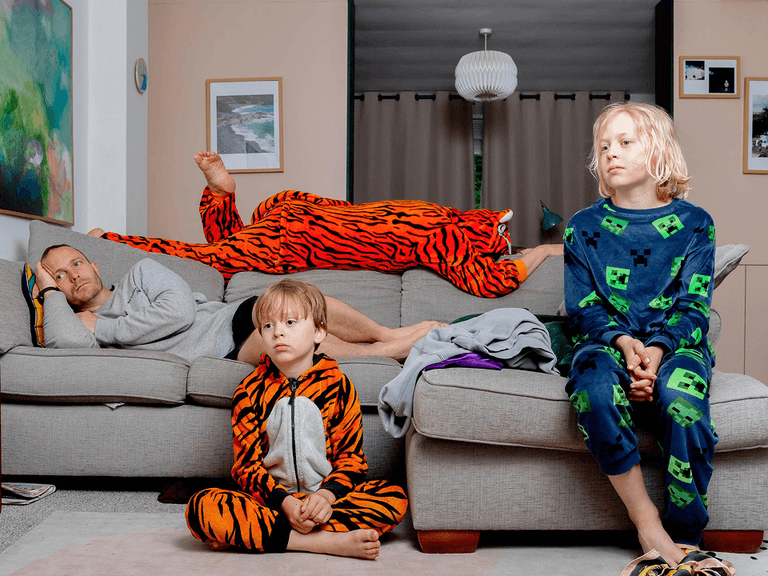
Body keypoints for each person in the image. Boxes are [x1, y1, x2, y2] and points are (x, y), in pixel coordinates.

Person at [563, 103, 733, 574]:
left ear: (656, 150)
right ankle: (648, 524)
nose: (610, 154)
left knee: (682, 400)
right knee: (595, 391)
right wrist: (624, 345)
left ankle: (685, 536)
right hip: (606, 346)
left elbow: (694, 306)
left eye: (624, 142)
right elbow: (582, 310)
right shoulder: (583, 227)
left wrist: (656, 352)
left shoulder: (696, 223)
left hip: (675, 345)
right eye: (603, 146)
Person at [87, 151, 563, 298]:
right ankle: (107, 241)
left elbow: (491, 268)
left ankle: (222, 194)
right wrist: (543, 252)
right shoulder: (448, 238)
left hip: (296, 209)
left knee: (231, 249)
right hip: (304, 239)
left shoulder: (439, 214)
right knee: (212, 260)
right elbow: (492, 281)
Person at [185, 279, 408, 559]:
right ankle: (323, 542)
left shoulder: (338, 385)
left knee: (394, 497)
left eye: (290, 322)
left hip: (327, 501)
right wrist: (286, 503)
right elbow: (246, 468)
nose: (278, 332)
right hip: (273, 502)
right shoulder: (249, 392)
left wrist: (325, 497)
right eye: (268, 326)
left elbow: (351, 461)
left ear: (319, 332)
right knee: (202, 507)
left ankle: (260, 536)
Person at [33, 244, 442, 363]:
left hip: (229, 320)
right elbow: (62, 344)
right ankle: (394, 349)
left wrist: (102, 327)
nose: (74, 275)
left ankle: (391, 338)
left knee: (293, 301)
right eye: (61, 276)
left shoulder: (140, 273)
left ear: (95, 264)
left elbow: (179, 311)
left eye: (77, 263)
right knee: (284, 342)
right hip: (224, 351)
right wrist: (47, 290)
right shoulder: (79, 326)